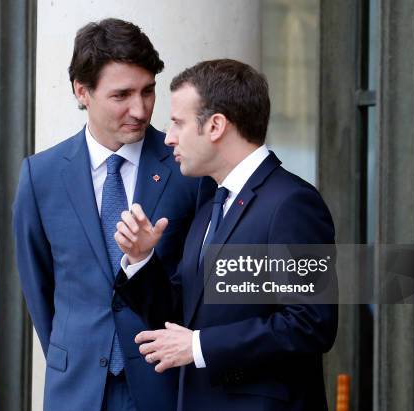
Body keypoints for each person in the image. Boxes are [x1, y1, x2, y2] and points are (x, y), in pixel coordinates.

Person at [114, 59, 338, 411]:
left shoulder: (293, 203)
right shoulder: (210, 208)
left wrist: (199, 347)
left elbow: (310, 323)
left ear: (216, 125)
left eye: (178, 123)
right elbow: (185, 316)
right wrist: (142, 260)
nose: (168, 137)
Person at [13, 18, 202, 411]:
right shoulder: (41, 175)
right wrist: (75, 353)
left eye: (148, 91)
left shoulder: (188, 170)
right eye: (122, 95)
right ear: (82, 92)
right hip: (77, 387)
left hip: (163, 385)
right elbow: (39, 288)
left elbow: (199, 287)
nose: (140, 108)